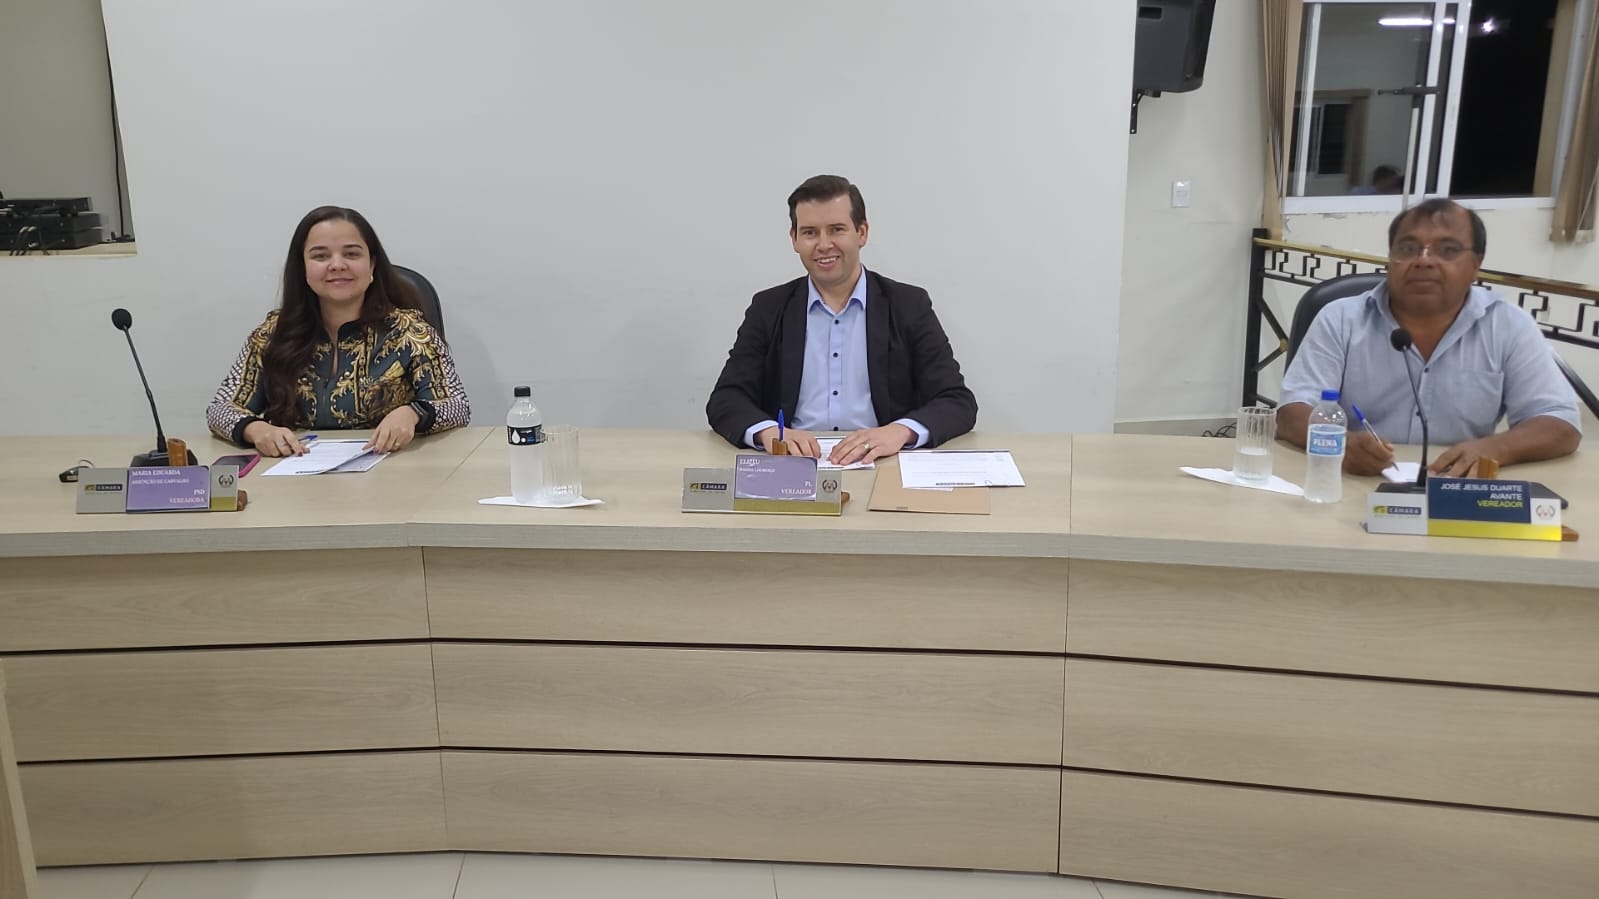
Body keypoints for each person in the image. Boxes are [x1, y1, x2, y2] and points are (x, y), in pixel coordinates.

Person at [1279, 198, 1580, 476]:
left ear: (1476, 264)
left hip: (1458, 484)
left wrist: (1496, 448)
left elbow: (1560, 422)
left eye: (1447, 250)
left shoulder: (1508, 325)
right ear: (1390, 258)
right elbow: (1293, 411)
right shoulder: (1341, 318)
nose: (1423, 261)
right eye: (1408, 248)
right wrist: (1341, 444)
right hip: (1351, 479)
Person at [706, 175, 976, 465]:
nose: (824, 245)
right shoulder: (768, 308)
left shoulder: (908, 305)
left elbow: (956, 400)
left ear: (862, 233)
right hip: (792, 464)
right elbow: (726, 398)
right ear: (794, 239)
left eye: (836, 230)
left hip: (882, 461)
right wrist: (770, 433)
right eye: (810, 232)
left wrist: (900, 432)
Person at [206, 206, 470, 456]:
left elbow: (456, 405)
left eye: (351, 254)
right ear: (302, 268)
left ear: (372, 265)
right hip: (296, 473)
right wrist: (256, 430)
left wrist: (413, 414)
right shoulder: (272, 334)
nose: (337, 265)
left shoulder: (410, 332)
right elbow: (221, 409)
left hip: (390, 470)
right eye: (320, 256)